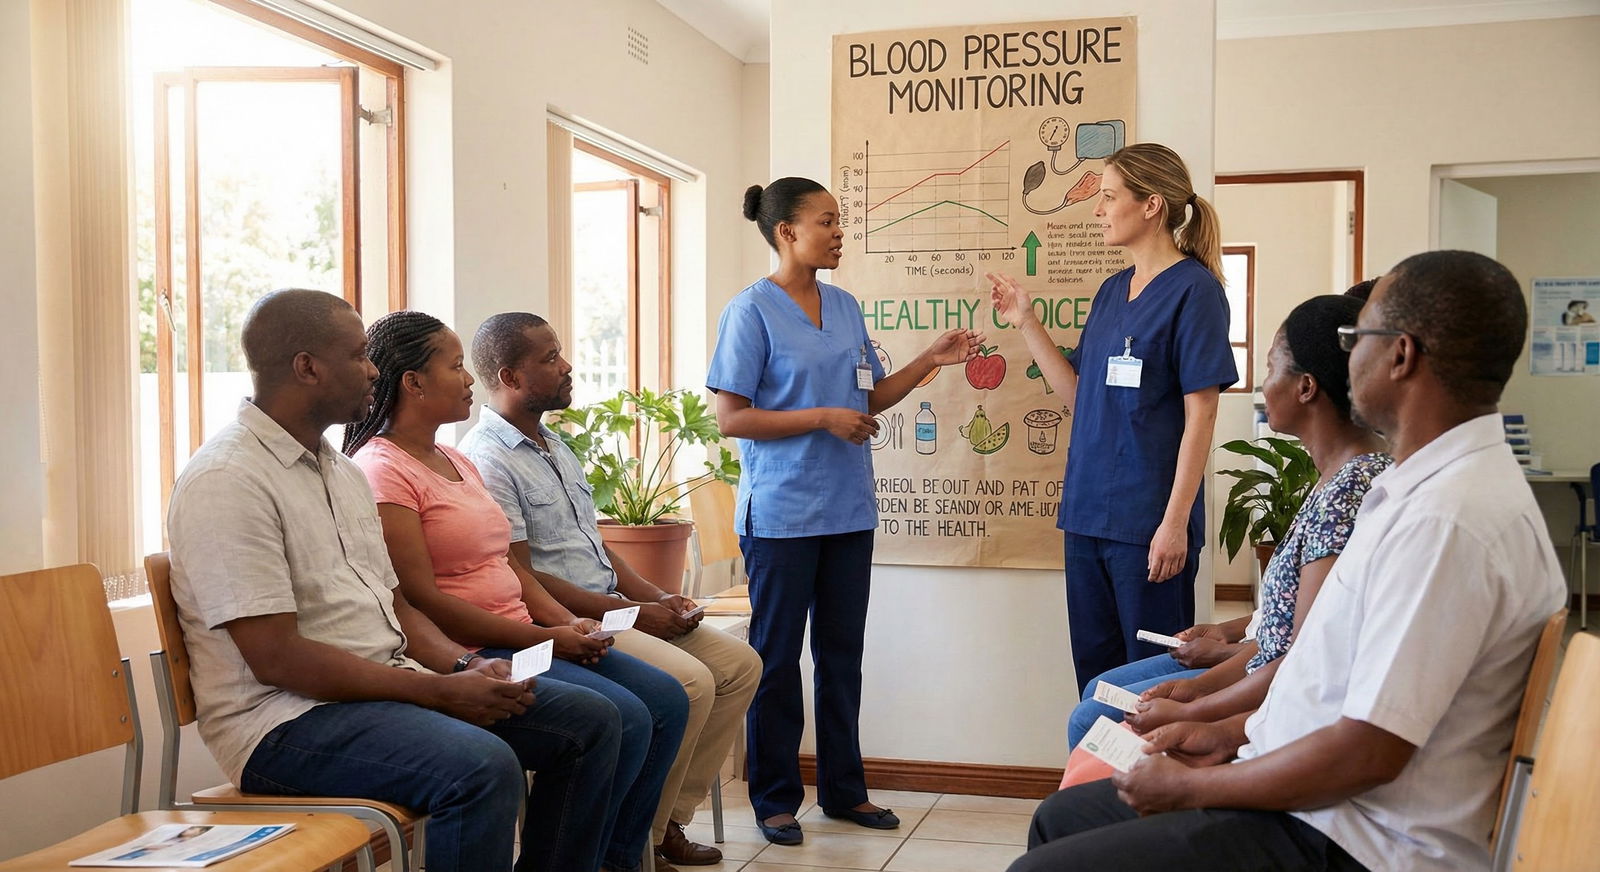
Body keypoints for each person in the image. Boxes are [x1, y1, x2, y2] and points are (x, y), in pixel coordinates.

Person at [1010, 250, 1566, 872]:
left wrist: (1196, 785)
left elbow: (1367, 753)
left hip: (1352, 837)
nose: (1345, 355)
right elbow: (1319, 671)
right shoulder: (1420, 491)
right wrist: (1220, 733)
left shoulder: (1446, 520)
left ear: (1400, 355)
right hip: (1313, 798)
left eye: (1358, 337)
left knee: (1045, 867)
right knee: (1060, 818)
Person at [167, 289, 622, 872]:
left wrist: (462, 667)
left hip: (386, 685)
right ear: (307, 367)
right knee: (482, 768)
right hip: (284, 720)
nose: (374, 370)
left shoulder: (338, 470)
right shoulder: (230, 478)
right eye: (358, 355)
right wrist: (437, 690)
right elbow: (276, 659)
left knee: (592, 723)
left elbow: (396, 605)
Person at [344, 311, 690, 872]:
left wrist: (566, 623)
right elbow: (422, 599)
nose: (468, 380)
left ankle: (617, 859)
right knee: (617, 715)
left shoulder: (456, 459)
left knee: (666, 699)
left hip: (525, 634)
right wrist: (543, 635)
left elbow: (514, 568)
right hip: (479, 645)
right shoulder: (382, 470)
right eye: (456, 367)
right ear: (413, 383)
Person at [706, 177, 982, 845]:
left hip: (849, 511)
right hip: (782, 517)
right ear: (785, 233)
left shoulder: (847, 306)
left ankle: (843, 790)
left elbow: (867, 399)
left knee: (841, 655)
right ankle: (774, 798)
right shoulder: (749, 312)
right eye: (826, 221)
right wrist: (822, 418)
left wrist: (929, 361)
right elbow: (730, 418)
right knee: (775, 660)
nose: (838, 233)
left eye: (841, 221)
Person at [459, 312, 760, 869]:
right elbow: (525, 574)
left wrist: (657, 596)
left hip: (618, 607)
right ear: (509, 375)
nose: (567, 365)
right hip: (574, 616)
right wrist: (630, 611)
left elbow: (597, 545)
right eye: (549, 358)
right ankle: (635, 845)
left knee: (739, 665)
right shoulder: (488, 457)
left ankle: (665, 822)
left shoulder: (554, 443)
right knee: (690, 684)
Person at [989, 143, 1238, 695]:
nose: (1097, 209)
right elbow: (1079, 397)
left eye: (1108, 196)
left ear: (1151, 206)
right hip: (1087, 517)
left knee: (1151, 684)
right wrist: (1026, 321)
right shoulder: (1109, 292)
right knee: (1097, 679)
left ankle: (1147, 783)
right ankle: (1099, 783)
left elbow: (1202, 415)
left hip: (1147, 524)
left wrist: (1174, 523)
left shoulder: (1195, 292)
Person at [1111, 296, 1390, 740]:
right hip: (1263, 687)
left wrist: (1197, 709)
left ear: (1306, 387)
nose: (1263, 385)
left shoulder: (1349, 491)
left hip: (1275, 711)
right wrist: (1197, 683)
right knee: (1099, 695)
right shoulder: (1337, 478)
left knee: (1091, 718)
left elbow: (1298, 659)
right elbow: (1278, 636)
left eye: (1270, 368)